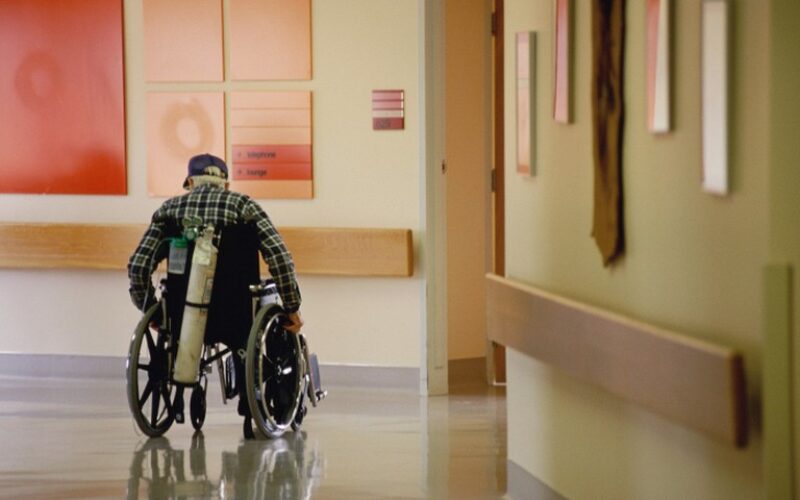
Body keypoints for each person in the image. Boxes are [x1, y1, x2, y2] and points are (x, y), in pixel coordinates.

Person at [127, 153, 303, 425]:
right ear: (226, 184)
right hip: (237, 315)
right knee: (262, 300)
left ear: (189, 182)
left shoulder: (168, 211)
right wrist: (292, 307)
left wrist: (150, 307)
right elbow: (280, 258)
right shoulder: (244, 207)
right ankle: (251, 398)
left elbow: (138, 266)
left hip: (180, 313)